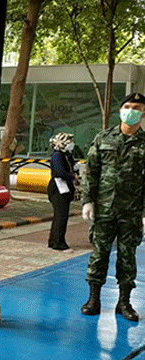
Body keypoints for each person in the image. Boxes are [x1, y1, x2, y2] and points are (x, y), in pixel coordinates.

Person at [80, 92, 145, 322]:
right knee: (99, 254)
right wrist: (87, 200)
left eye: (136, 108)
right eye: (127, 107)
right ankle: (93, 299)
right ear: (120, 110)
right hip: (104, 209)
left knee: (128, 257)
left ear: (143, 113)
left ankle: (124, 302)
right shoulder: (103, 138)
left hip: (131, 211)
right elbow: (90, 171)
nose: (131, 111)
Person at [47, 132, 78, 252]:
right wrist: (72, 177)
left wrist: (76, 174)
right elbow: (60, 172)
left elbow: (74, 167)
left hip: (65, 189)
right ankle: (58, 243)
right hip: (58, 189)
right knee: (61, 216)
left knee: (60, 216)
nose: (71, 144)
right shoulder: (57, 155)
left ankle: (53, 240)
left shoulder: (67, 155)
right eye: (68, 142)